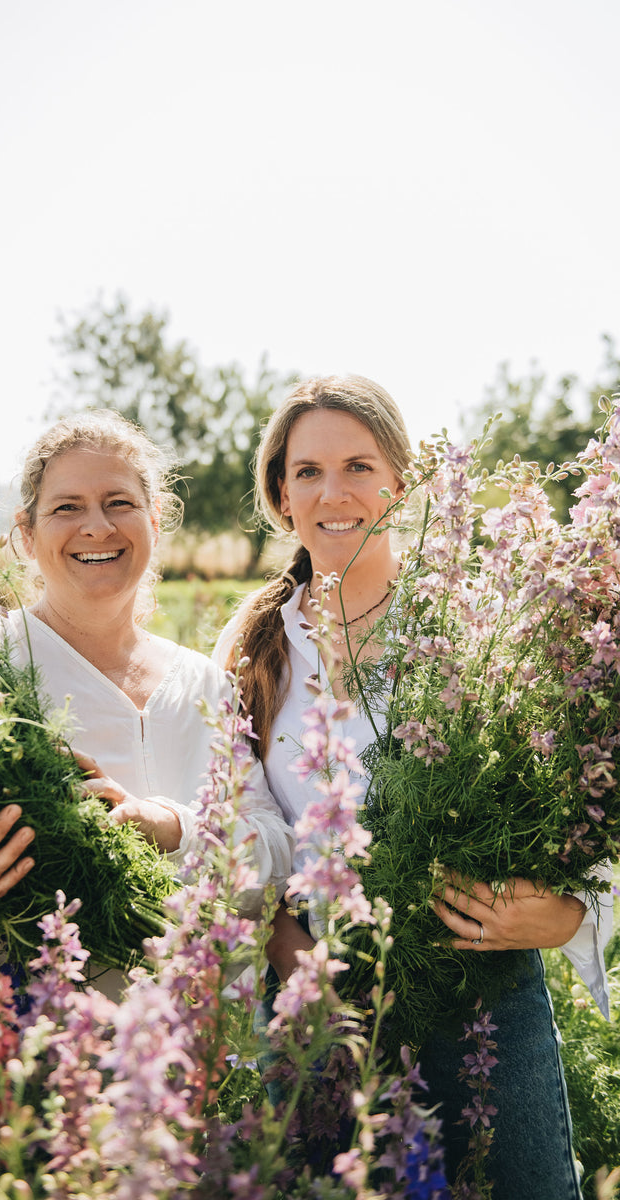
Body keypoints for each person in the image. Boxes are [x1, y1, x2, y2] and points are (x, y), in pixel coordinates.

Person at [0, 409, 295, 1198]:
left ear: (156, 520)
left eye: (119, 502)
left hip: (124, 1093)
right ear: (24, 532)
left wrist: (169, 826)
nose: (96, 527)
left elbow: (272, 847)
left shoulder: (205, 688)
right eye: (66, 507)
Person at [213, 375, 613, 1200]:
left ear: (403, 481)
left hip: (482, 998)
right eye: (309, 471)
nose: (336, 492)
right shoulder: (253, 641)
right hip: (320, 1003)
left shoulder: (480, 618)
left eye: (360, 464)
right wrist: (291, 951)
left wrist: (569, 911)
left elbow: (583, 802)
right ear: (280, 494)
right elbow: (240, 815)